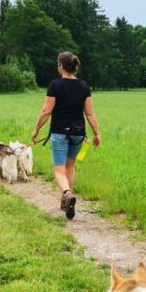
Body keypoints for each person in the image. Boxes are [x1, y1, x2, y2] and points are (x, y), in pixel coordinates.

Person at [31, 52, 100, 220]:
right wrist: (97, 133)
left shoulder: (55, 85)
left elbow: (47, 111)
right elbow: (89, 114)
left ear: (61, 66)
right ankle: (66, 199)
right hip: (78, 133)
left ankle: (67, 194)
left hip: (60, 132)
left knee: (59, 169)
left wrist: (36, 130)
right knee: (70, 166)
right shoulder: (84, 86)